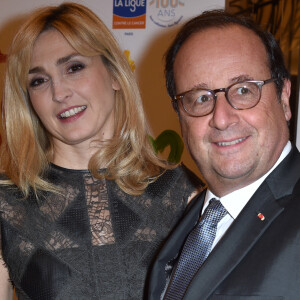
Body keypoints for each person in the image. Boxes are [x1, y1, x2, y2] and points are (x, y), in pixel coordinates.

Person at [0, 3, 203, 299]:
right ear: (29, 100)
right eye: (39, 81)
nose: (59, 93)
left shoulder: (181, 192)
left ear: (115, 75)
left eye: (74, 67)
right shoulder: (8, 203)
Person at [148, 9, 300, 300]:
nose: (221, 118)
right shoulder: (187, 225)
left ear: (284, 98)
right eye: (201, 98)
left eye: (243, 90)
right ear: (180, 116)